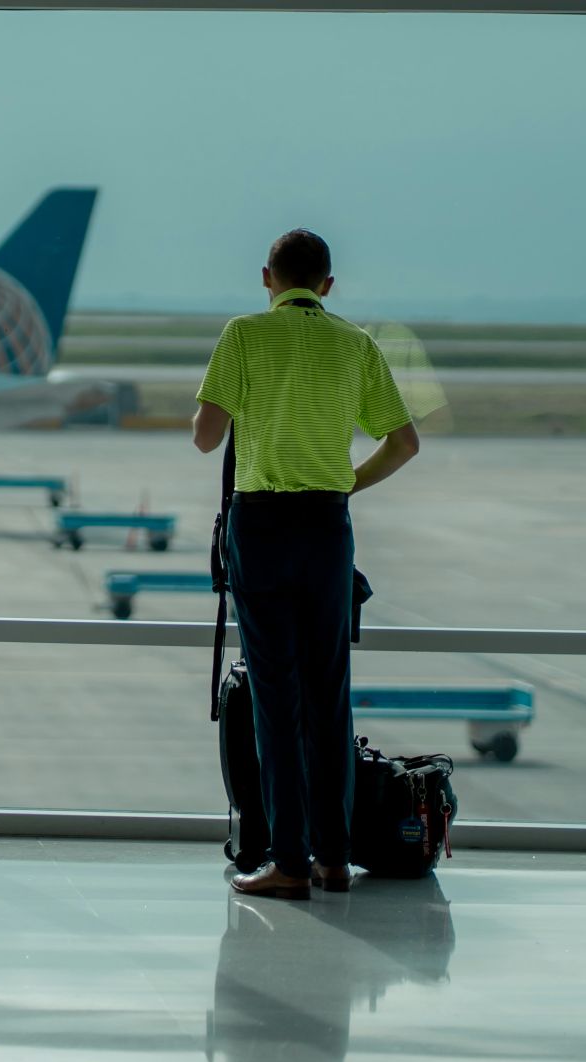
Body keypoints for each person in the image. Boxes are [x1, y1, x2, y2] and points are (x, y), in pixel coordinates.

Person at [192, 229, 421, 900]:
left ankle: (286, 862)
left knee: (274, 695)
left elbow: (206, 439)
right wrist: (348, 482)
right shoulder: (356, 342)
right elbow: (404, 443)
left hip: (260, 525)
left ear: (268, 277)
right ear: (327, 286)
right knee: (329, 694)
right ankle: (331, 859)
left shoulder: (242, 335)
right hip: (327, 525)